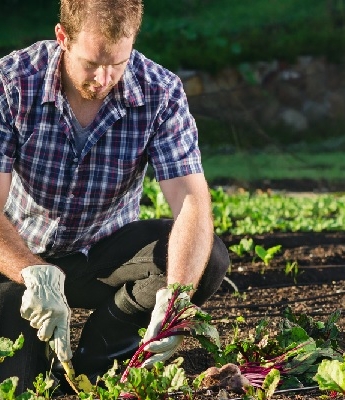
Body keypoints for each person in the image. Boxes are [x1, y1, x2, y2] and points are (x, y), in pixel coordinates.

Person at [0, 0, 230, 393]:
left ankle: (100, 357)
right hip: (21, 261)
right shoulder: (13, 82)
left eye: (118, 63)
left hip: (102, 255)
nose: (104, 77)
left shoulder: (160, 92)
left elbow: (191, 201)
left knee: (207, 258)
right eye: (91, 63)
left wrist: (177, 296)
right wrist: (31, 272)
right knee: (17, 385)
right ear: (62, 38)